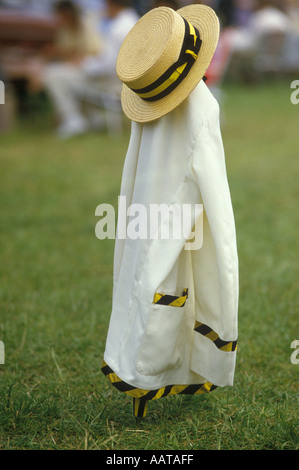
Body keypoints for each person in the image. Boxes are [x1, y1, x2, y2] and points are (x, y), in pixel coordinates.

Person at [101, 5, 239, 417]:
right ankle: (148, 367)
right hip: (173, 210)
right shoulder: (201, 107)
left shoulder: (157, 105)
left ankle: (144, 363)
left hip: (148, 210)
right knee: (166, 278)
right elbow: (212, 188)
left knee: (146, 275)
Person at [44, 0, 139, 138]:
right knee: (63, 74)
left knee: (54, 75)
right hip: (123, 81)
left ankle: (74, 120)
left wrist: (84, 65)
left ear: (112, 4)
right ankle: (91, 119)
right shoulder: (133, 21)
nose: (104, 9)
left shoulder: (119, 28)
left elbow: (108, 65)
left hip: (112, 83)